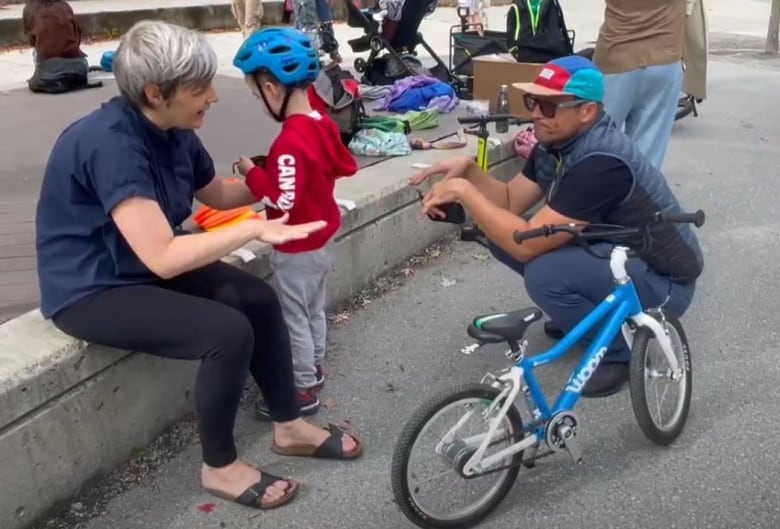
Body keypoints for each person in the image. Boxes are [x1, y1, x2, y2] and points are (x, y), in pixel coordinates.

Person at [35, 20, 363, 511]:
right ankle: (220, 467)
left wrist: (289, 172)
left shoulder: (173, 128)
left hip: (142, 264)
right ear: (154, 92)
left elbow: (221, 194)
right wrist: (254, 227)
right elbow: (163, 257)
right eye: (199, 88)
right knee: (227, 333)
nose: (213, 96)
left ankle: (289, 423)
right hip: (94, 287)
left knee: (257, 298)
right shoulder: (111, 145)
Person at [409, 55, 704, 398]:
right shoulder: (556, 142)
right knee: (500, 235)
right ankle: (589, 319)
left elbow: (525, 241)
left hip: (665, 284)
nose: (535, 113)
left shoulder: (602, 162)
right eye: (533, 101)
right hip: (618, 255)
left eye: (549, 106)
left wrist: (463, 191)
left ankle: (619, 352)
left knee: (543, 272)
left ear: (587, 111)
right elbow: (507, 201)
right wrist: (468, 170)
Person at [232, 27, 358, 418]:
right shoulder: (322, 123)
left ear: (272, 89)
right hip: (323, 236)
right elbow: (341, 164)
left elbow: (281, 200)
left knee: (295, 318)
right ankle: (315, 367)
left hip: (297, 245)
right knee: (314, 308)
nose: (259, 101)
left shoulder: (289, 141)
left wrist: (251, 173)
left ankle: (302, 389)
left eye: (257, 95)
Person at [592, 0, 686, 169]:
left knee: (597, 139)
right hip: (664, 56)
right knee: (649, 146)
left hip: (615, 57)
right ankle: (639, 191)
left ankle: (594, 187)